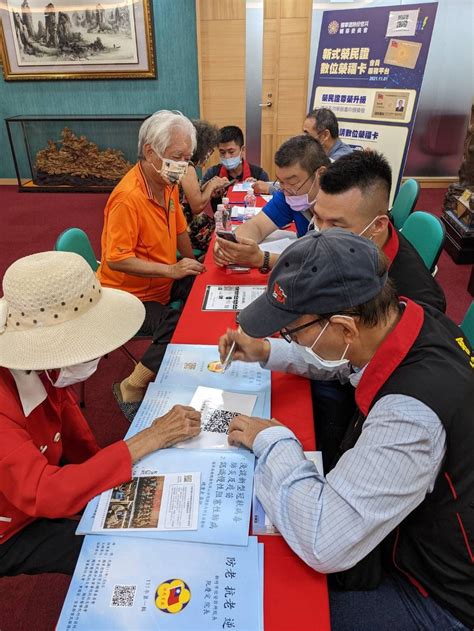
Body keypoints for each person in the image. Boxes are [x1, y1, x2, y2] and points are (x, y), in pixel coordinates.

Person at [218, 230, 473, 631]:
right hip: (405, 534)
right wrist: (269, 351)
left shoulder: (409, 416)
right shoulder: (403, 316)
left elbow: (325, 542)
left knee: (270, 613)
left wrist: (273, 440)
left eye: (291, 331)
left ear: (345, 327)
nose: (288, 338)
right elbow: (352, 361)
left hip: (436, 593)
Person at [0, 251, 201, 576]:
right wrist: (147, 439)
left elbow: (78, 440)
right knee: (107, 554)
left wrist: (116, 479)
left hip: (32, 489)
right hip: (10, 527)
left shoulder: (40, 368)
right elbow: (45, 492)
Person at [97, 110, 205, 419]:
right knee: (173, 324)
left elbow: (180, 228)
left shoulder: (166, 181)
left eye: (188, 157)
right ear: (150, 152)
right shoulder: (127, 198)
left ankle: (192, 361)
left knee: (202, 286)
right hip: (126, 296)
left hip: (160, 282)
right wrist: (172, 270)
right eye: (177, 156)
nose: (183, 165)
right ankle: (131, 386)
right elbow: (116, 260)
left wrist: (191, 261)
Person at [214, 134, 330, 271]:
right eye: (280, 182)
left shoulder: (342, 206)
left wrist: (263, 259)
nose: (285, 190)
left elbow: (324, 263)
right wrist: (230, 245)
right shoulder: (287, 195)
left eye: (292, 182)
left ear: (320, 174)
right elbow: (257, 226)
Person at [180, 119, 229, 252]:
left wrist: (209, 187)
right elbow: (196, 206)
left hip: (187, 223)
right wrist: (212, 185)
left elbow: (189, 195)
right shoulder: (187, 168)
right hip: (187, 228)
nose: (209, 155)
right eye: (210, 150)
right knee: (225, 234)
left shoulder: (187, 165)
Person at [201, 125, 269, 206]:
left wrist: (257, 190)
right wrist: (210, 191)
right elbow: (200, 203)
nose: (227, 156)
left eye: (231, 152)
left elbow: (269, 204)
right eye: (222, 152)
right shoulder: (212, 174)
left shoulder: (259, 175)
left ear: (242, 150)